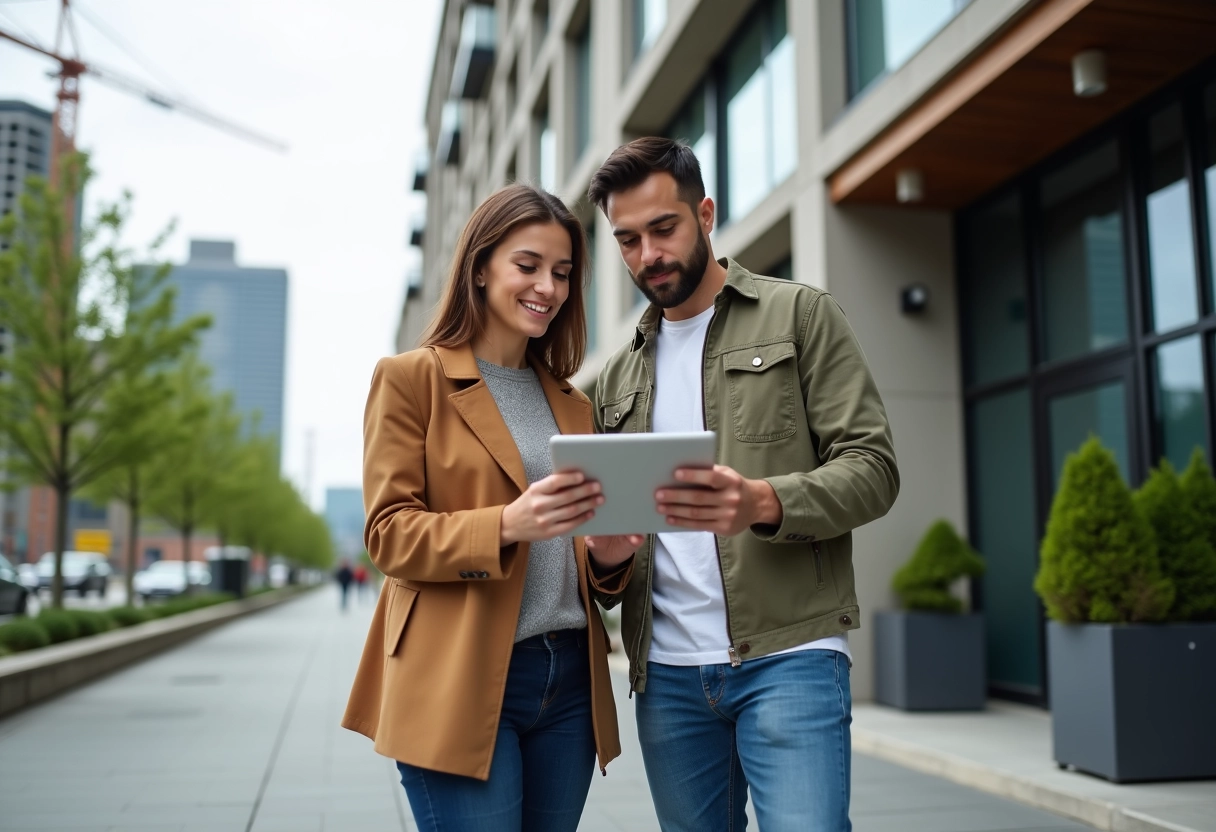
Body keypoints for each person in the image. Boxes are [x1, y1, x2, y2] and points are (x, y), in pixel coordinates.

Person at [587, 138, 900, 832]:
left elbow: (874, 468)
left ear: (705, 214)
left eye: (663, 228)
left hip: (791, 656)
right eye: (628, 240)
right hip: (666, 677)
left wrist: (765, 500)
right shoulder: (615, 380)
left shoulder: (802, 316)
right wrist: (605, 560)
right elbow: (608, 557)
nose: (648, 255)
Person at [342, 184, 643, 832]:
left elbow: (578, 558)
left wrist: (608, 557)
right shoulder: (411, 379)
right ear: (480, 268)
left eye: (562, 272)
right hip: (456, 675)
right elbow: (389, 535)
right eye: (528, 265)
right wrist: (507, 525)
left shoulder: (573, 404)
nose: (548, 288)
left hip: (568, 681)